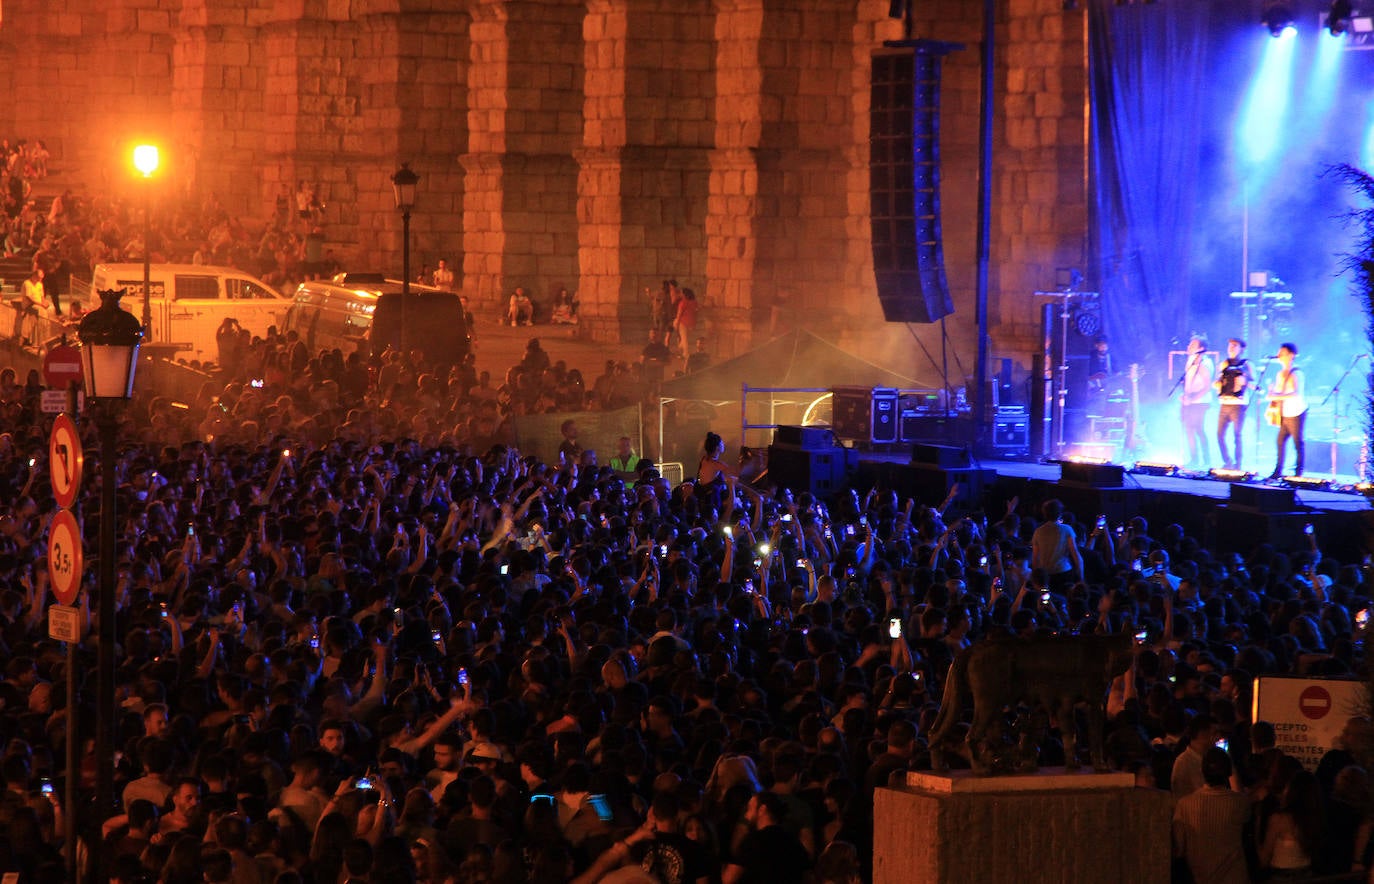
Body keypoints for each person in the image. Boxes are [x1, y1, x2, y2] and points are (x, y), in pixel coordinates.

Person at [1172, 747, 1250, 884]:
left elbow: (1179, 849)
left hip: (1201, 877)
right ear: (1228, 772)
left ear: (1202, 771)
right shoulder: (1239, 802)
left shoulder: (1184, 804)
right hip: (1234, 877)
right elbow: (1239, 793)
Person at [1267, 342, 1307, 479]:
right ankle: (1278, 471)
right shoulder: (1280, 374)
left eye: (1282, 354)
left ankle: (1298, 473)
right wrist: (1271, 392)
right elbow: (1278, 392)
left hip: (1296, 412)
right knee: (1280, 441)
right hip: (1284, 412)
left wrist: (1277, 395)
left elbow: (1296, 393)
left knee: (1297, 442)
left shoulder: (1297, 373)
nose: (1279, 356)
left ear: (1291, 355)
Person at [1213, 337, 1253, 471]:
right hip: (1224, 403)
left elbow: (1256, 385)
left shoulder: (1246, 364)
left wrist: (1245, 381)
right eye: (1229, 345)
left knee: (1237, 435)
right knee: (1219, 434)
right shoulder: (1224, 364)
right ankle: (1227, 461)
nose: (1231, 348)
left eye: (1234, 346)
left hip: (1238, 404)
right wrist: (1217, 385)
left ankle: (1238, 464)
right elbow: (1218, 380)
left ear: (1241, 349)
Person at [1030, 499, 1083, 593]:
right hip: (1064, 572)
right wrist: (1081, 576)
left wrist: (1036, 579)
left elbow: (1035, 559)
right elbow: (1075, 553)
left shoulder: (1038, 532)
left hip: (1046, 575)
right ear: (1060, 513)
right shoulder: (1067, 529)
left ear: (1045, 514)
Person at [1180, 336, 1215, 469]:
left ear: (1201, 348)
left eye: (1193, 345)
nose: (1189, 347)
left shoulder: (1205, 362)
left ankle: (1206, 460)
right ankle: (1194, 458)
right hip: (1190, 401)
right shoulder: (1191, 360)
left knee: (1199, 429)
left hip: (1200, 402)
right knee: (1189, 429)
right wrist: (1185, 395)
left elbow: (1207, 386)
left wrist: (1193, 398)